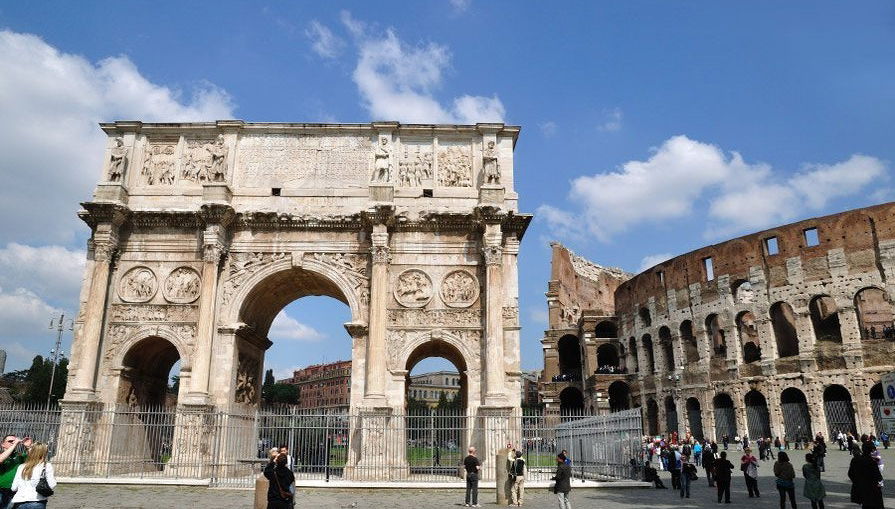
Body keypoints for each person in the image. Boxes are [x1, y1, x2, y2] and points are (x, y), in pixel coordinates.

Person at [9, 441, 55, 509]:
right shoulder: (47, 466)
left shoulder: (21, 467)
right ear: (43, 453)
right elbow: (52, 484)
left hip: (19, 501)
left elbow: (13, 488)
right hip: (37, 501)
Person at [848, 442, 884, 509]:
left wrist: (857, 482)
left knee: (865, 505)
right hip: (872, 489)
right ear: (871, 450)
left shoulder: (855, 460)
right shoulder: (871, 461)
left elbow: (850, 474)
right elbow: (878, 476)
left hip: (861, 488)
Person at [0, 435, 31, 509]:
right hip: (1, 490)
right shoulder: (1, 455)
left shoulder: (19, 455)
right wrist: (14, 444)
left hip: (15, 490)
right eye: (10, 441)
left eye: (14, 441)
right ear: (3, 444)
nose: (13, 443)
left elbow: (33, 459)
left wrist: (28, 447)